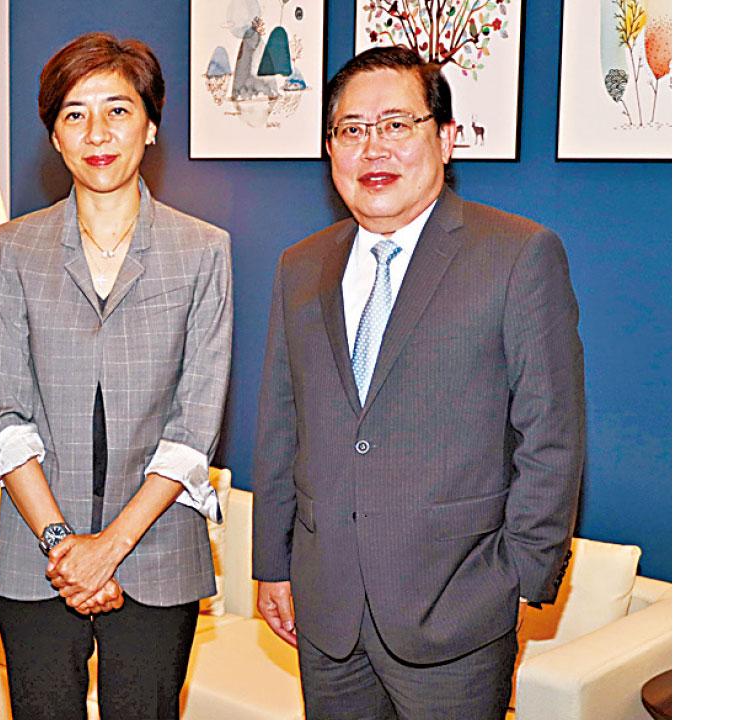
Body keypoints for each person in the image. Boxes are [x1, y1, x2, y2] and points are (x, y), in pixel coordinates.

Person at [251, 46, 585, 719]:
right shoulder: (300, 265)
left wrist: (520, 577)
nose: (373, 148)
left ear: (446, 137)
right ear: (330, 147)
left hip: (458, 614)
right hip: (326, 610)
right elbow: (281, 425)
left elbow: (552, 436)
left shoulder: (518, 254)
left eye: (397, 124)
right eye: (352, 129)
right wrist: (272, 564)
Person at [0, 32, 232, 720]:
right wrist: (64, 547)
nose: (97, 133)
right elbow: (3, 413)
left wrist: (108, 551)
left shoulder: (202, 249)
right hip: (38, 557)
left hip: (158, 552)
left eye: (118, 110)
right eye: (75, 114)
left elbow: (194, 427)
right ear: (54, 136)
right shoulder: (15, 246)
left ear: (150, 126)